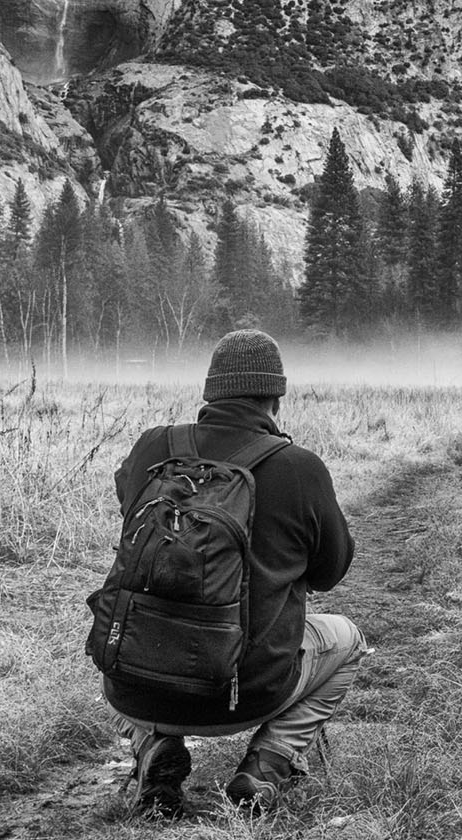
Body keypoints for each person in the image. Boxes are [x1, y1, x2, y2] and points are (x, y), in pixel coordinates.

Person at [103, 329, 361, 816]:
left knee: (113, 637)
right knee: (347, 640)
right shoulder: (299, 468)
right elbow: (330, 572)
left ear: (210, 392)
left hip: (138, 688)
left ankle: (152, 746)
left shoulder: (152, 447)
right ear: (275, 398)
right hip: (247, 693)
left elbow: (127, 509)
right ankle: (268, 763)